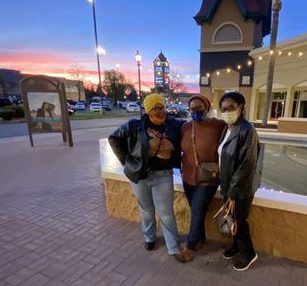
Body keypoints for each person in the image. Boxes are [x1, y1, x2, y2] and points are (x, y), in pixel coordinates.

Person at [108, 93, 191, 263]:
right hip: (140, 175)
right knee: (146, 209)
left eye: (162, 107)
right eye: (156, 108)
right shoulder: (135, 126)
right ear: (148, 109)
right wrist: (126, 162)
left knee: (166, 213)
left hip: (163, 176)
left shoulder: (174, 125)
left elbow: (192, 128)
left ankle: (173, 248)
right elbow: (114, 138)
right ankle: (149, 237)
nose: (160, 111)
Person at [218, 91, 260, 271]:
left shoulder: (247, 130)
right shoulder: (228, 128)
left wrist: (232, 193)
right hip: (228, 186)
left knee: (240, 221)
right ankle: (236, 246)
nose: (227, 111)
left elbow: (246, 165)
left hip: (240, 189)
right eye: (224, 109)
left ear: (241, 107)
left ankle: (249, 254)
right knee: (232, 219)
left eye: (231, 108)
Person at [181, 94, 226, 253]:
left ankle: (190, 245)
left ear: (206, 108)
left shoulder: (219, 125)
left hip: (208, 178)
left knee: (198, 209)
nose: (195, 112)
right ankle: (201, 239)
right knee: (196, 210)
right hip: (188, 177)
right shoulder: (186, 127)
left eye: (199, 109)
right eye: (192, 109)